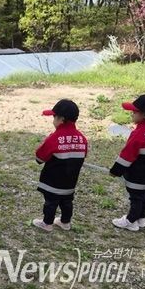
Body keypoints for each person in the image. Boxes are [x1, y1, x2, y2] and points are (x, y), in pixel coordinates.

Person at [109, 95, 145, 231]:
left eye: (134, 111)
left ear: (144, 115)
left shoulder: (138, 134)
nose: (131, 113)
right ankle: (141, 218)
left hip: (137, 174)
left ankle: (131, 220)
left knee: (136, 198)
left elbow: (126, 156)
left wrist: (115, 171)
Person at [32, 99, 88, 232]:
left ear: (61, 119)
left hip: (53, 182)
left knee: (51, 203)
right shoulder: (82, 138)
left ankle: (47, 223)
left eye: (54, 117)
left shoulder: (55, 137)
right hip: (70, 182)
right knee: (67, 202)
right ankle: (65, 222)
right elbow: (84, 154)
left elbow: (39, 158)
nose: (53, 120)